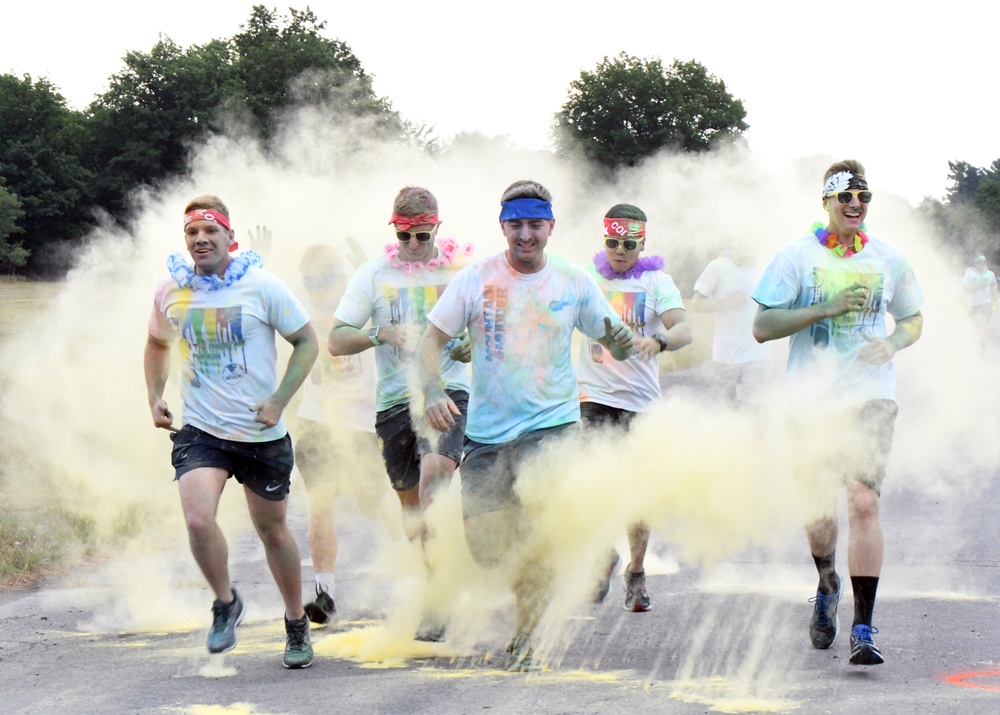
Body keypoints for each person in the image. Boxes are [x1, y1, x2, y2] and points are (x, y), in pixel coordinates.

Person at [418, 179, 635, 671]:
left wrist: (621, 340)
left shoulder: (574, 280)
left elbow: (612, 341)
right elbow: (431, 341)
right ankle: (591, 549)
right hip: (488, 433)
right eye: (515, 225)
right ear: (502, 226)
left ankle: (528, 635)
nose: (525, 235)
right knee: (491, 548)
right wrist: (433, 389)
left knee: (535, 528)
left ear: (551, 226)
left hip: (552, 426)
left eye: (535, 224)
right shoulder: (475, 279)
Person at [752, 161, 924, 666]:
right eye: (845, 197)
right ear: (825, 202)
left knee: (863, 501)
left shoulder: (889, 259)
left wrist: (893, 341)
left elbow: (914, 319)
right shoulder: (796, 258)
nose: (855, 205)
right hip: (811, 401)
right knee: (819, 510)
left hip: (872, 396)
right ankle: (826, 581)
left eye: (863, 197)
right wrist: (822, 309)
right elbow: (762, 325)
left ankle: (864, 627)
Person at [144, 195, 319, 669]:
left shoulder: (263, 287)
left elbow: (307, 341)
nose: (200, 240)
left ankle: (295, 620)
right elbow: (158, 343)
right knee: (198, 520)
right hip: (202, 431)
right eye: (192, 234)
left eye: (210, 232)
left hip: (261, 434)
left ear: (229, 237)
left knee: (273, 530)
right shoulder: (171, 291)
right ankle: (226, 603)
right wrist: (155, 395)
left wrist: (280, 399)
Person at [328, 186, 472, 642]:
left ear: (437, 228)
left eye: (422, 235)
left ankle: (441, 598)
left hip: (450, 392)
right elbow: (335, 339)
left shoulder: (461, 271)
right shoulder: (373, 274)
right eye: (405, 236)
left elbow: (488, 328)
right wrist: (379, 333)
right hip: (392, 403)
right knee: (412, 512)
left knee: (433, 485)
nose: (413, 245)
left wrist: (471, 344)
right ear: (394, 230)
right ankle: (437, 581)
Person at [576, 204, 691, 612]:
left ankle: (636, 574)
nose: (619, 251)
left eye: (628, 244)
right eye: (612, 242)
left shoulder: (657, 282)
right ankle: (603, 555)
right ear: (603, 240)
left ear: (642, 243)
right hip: (592, 396)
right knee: (592, 485)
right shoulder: (586, 279)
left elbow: (684, 329)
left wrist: (658, 342)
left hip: (641, 403)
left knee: (638, 494)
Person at [293, 243, 387, 625]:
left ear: (342, 277)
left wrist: (372, 272)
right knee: (321, 502)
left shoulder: (363, 304)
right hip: (317, 422)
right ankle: (324, 592)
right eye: (312, 282)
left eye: (328, 279)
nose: (320, 289)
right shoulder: (300, 314)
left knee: (373, 504)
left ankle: (426, 565)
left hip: (365, 424)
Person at [691, 247, 773, 406]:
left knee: (754, 409)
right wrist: (725, 303)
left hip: (760, 355)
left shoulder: (767, 265)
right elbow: (696, 304)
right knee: (728, 411)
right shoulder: (718, 266)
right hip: (727, 355)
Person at [961, 255, 997, 352]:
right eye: (979, 262)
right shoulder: (970, 274)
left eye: (983, 262)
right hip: (973, 304)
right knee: (974, 326)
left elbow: (994, 288)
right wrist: (976, 287)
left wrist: (994, 300)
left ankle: (982, 347)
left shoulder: (990, 274)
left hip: (986, 304)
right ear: (975, 264)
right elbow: (964, 288)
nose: (982, 264)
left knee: (983, 325)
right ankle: (973, 345)